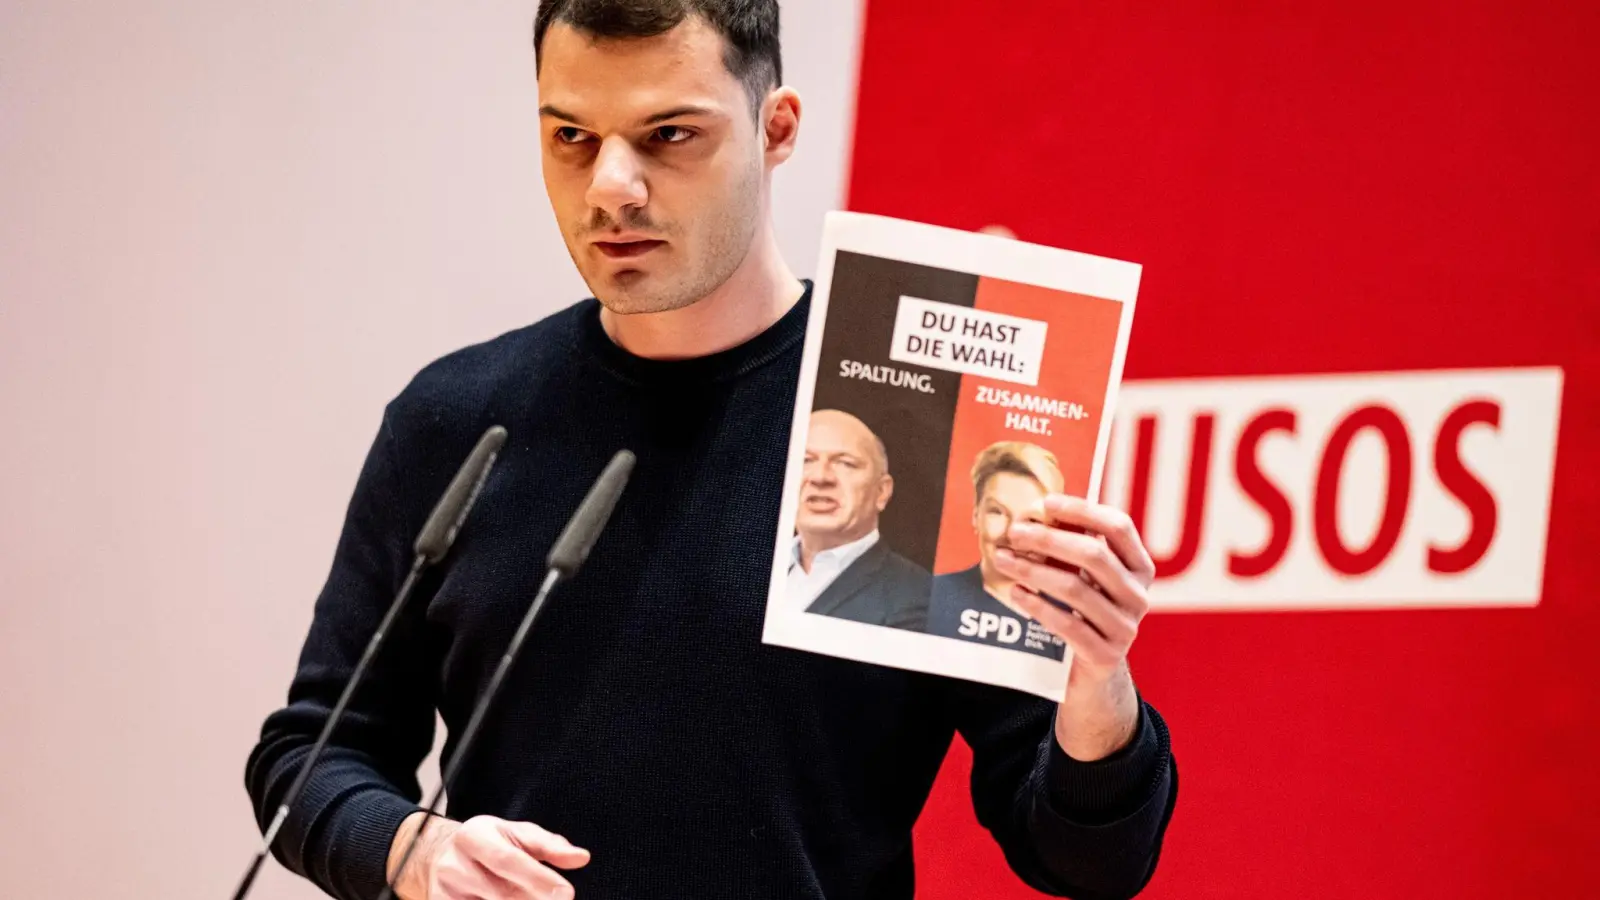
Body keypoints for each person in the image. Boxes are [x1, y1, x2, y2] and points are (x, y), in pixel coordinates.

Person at [243, 3, 1179, 900]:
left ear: (777, 129)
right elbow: (309, 758)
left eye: (669, 136)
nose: (612, 187)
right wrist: (414, 851)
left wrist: (1097, 680)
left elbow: (1088, 861)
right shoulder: (455, 421)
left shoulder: (912, 415)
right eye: (571, 137)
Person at [927, 441, 1072, 660]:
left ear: (1053, 529)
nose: (1012, 533)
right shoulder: (926, 599)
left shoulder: (1074, 620)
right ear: (976, 516)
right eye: (998, 512)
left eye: (1032, 520)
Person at [789, 408, 929, 629]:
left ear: (882, 492)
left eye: (845, 463)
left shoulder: (920, 599)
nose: (820, 477)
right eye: (805, 460)